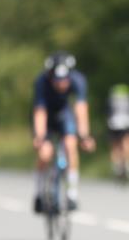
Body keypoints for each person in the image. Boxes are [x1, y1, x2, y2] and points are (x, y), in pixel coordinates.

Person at [31, 51, 95, 213]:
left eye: (64, 80)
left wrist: (85, 136)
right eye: (57, 81)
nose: (61, 85)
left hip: (64, 114)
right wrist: (40, 137)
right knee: (44, 154)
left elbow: (80, 109)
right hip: (46, 116)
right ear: (51, 76)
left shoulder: (78, 80)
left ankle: (72, 193)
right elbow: (40, 112)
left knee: (70, 146)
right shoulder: (41, 82)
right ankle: (38, 194)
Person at [106, 83, 129, 181]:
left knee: (115, 145)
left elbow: (108, 113)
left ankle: (116, 165)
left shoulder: (110, 100)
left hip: (114, 124)